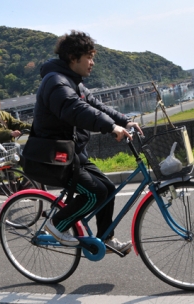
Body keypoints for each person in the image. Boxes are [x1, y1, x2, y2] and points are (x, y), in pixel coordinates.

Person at [33, 30, 143, 254]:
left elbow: (96, 106)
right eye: (89, 57)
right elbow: (75, 109)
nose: (92, 62)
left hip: (72, 154)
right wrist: (110, 127)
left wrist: (124, 121)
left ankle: (105, 237)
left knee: (108, 189)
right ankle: (57, 225)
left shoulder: (75, 83)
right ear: (74, 58)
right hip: (54, 158)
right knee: (95, 193)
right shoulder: (56, 82)